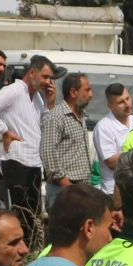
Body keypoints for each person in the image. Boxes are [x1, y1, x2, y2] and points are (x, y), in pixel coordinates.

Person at [0, 54, 54, 217]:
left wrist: (50, 104)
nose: (48, 82)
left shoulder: (37, 97)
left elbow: (42, 126)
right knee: (24, 215)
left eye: (50, 78)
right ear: (32, 72)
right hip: (18, 161)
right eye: (45, 77)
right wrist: (4, 130)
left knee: (33, 215)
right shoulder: (14, 90)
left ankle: (32, 243)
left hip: (33, 161)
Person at [40, 72, 94, 209]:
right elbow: (48, 153)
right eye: (87, 90)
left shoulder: (81, 115)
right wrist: (67, 186)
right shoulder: (56, 117)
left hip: (81, 188)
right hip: (63, 190)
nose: (91, 94)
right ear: (73, 92)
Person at [92, 83, 133, 196]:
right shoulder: (103, 127)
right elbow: (112, 162)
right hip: (113, 192)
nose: (127, 104)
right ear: (110, 106)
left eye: (127, 98)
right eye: (121, 102)